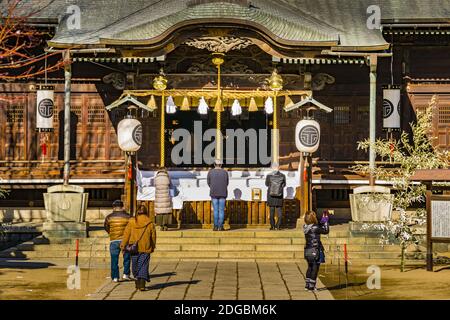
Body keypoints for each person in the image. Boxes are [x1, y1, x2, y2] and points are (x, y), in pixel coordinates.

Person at [121, 205, 157, 291]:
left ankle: (138, 282)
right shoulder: (150, 223)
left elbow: (126, 234)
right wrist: (153, 246)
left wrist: (123, 245)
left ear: (137, 211)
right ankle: (141, 284)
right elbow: (153, 236)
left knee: (135, 265)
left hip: (134, 248)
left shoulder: (131, 221)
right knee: (143, 265)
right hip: (145, 247)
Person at [104, 200, 131, 282]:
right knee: (126, 258)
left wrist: (111, 233)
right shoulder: (128, 216)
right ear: (122, 207)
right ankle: (126, 274)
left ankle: (115, 277)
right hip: (125, 240)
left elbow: (106, 227)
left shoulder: (109, 217)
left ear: (113, 207)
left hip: (114, 240)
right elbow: (131, 227)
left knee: (114, 259)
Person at [303, 210, 330, 291]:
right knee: (315, 268)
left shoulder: (305, 226)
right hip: (315, 250)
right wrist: (326, 221)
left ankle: (307, 285)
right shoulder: (315, 228)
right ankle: (312, 286)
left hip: (307, 250)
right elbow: (326, 230)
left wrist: (323, 220)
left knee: (310, 267)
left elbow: (318, 225)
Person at [207, 159, 229, 231]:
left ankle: (215, 226)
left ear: (214, 164)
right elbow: (227, 183)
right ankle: (220, 226)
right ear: (221, 165)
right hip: (223, 193)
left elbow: (208, 182)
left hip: (214, 193)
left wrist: (213, 187)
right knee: (221, 210)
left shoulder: (210, 172)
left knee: (215, 210)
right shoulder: (225, 172)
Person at [265, 163, 286, 230]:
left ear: (272, 167)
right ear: (278, 167)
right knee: (279, 212)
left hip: (271, 195)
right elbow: (284, 185)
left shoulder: (269, 175)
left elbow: (266, 184)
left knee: (272, 212)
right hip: (279, 195)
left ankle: (272, 226)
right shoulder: (282, 175)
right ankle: (278, 226)